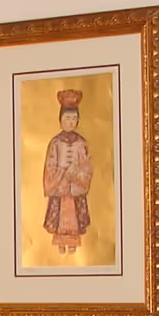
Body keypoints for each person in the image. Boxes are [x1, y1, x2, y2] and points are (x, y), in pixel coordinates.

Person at [42, 88, 93, 255]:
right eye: (67, 118)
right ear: (60, 120)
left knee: (74, 218)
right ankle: (60, 245)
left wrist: (75, 173)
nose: (70, 122)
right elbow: (49, 166)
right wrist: (61, 172)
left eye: (73, 118)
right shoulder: (55, 143)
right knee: (60, 218)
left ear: (78, 120)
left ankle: (72, 244)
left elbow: (87, 167)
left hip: (75, 189)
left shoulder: (81, 143)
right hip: (60, 188)